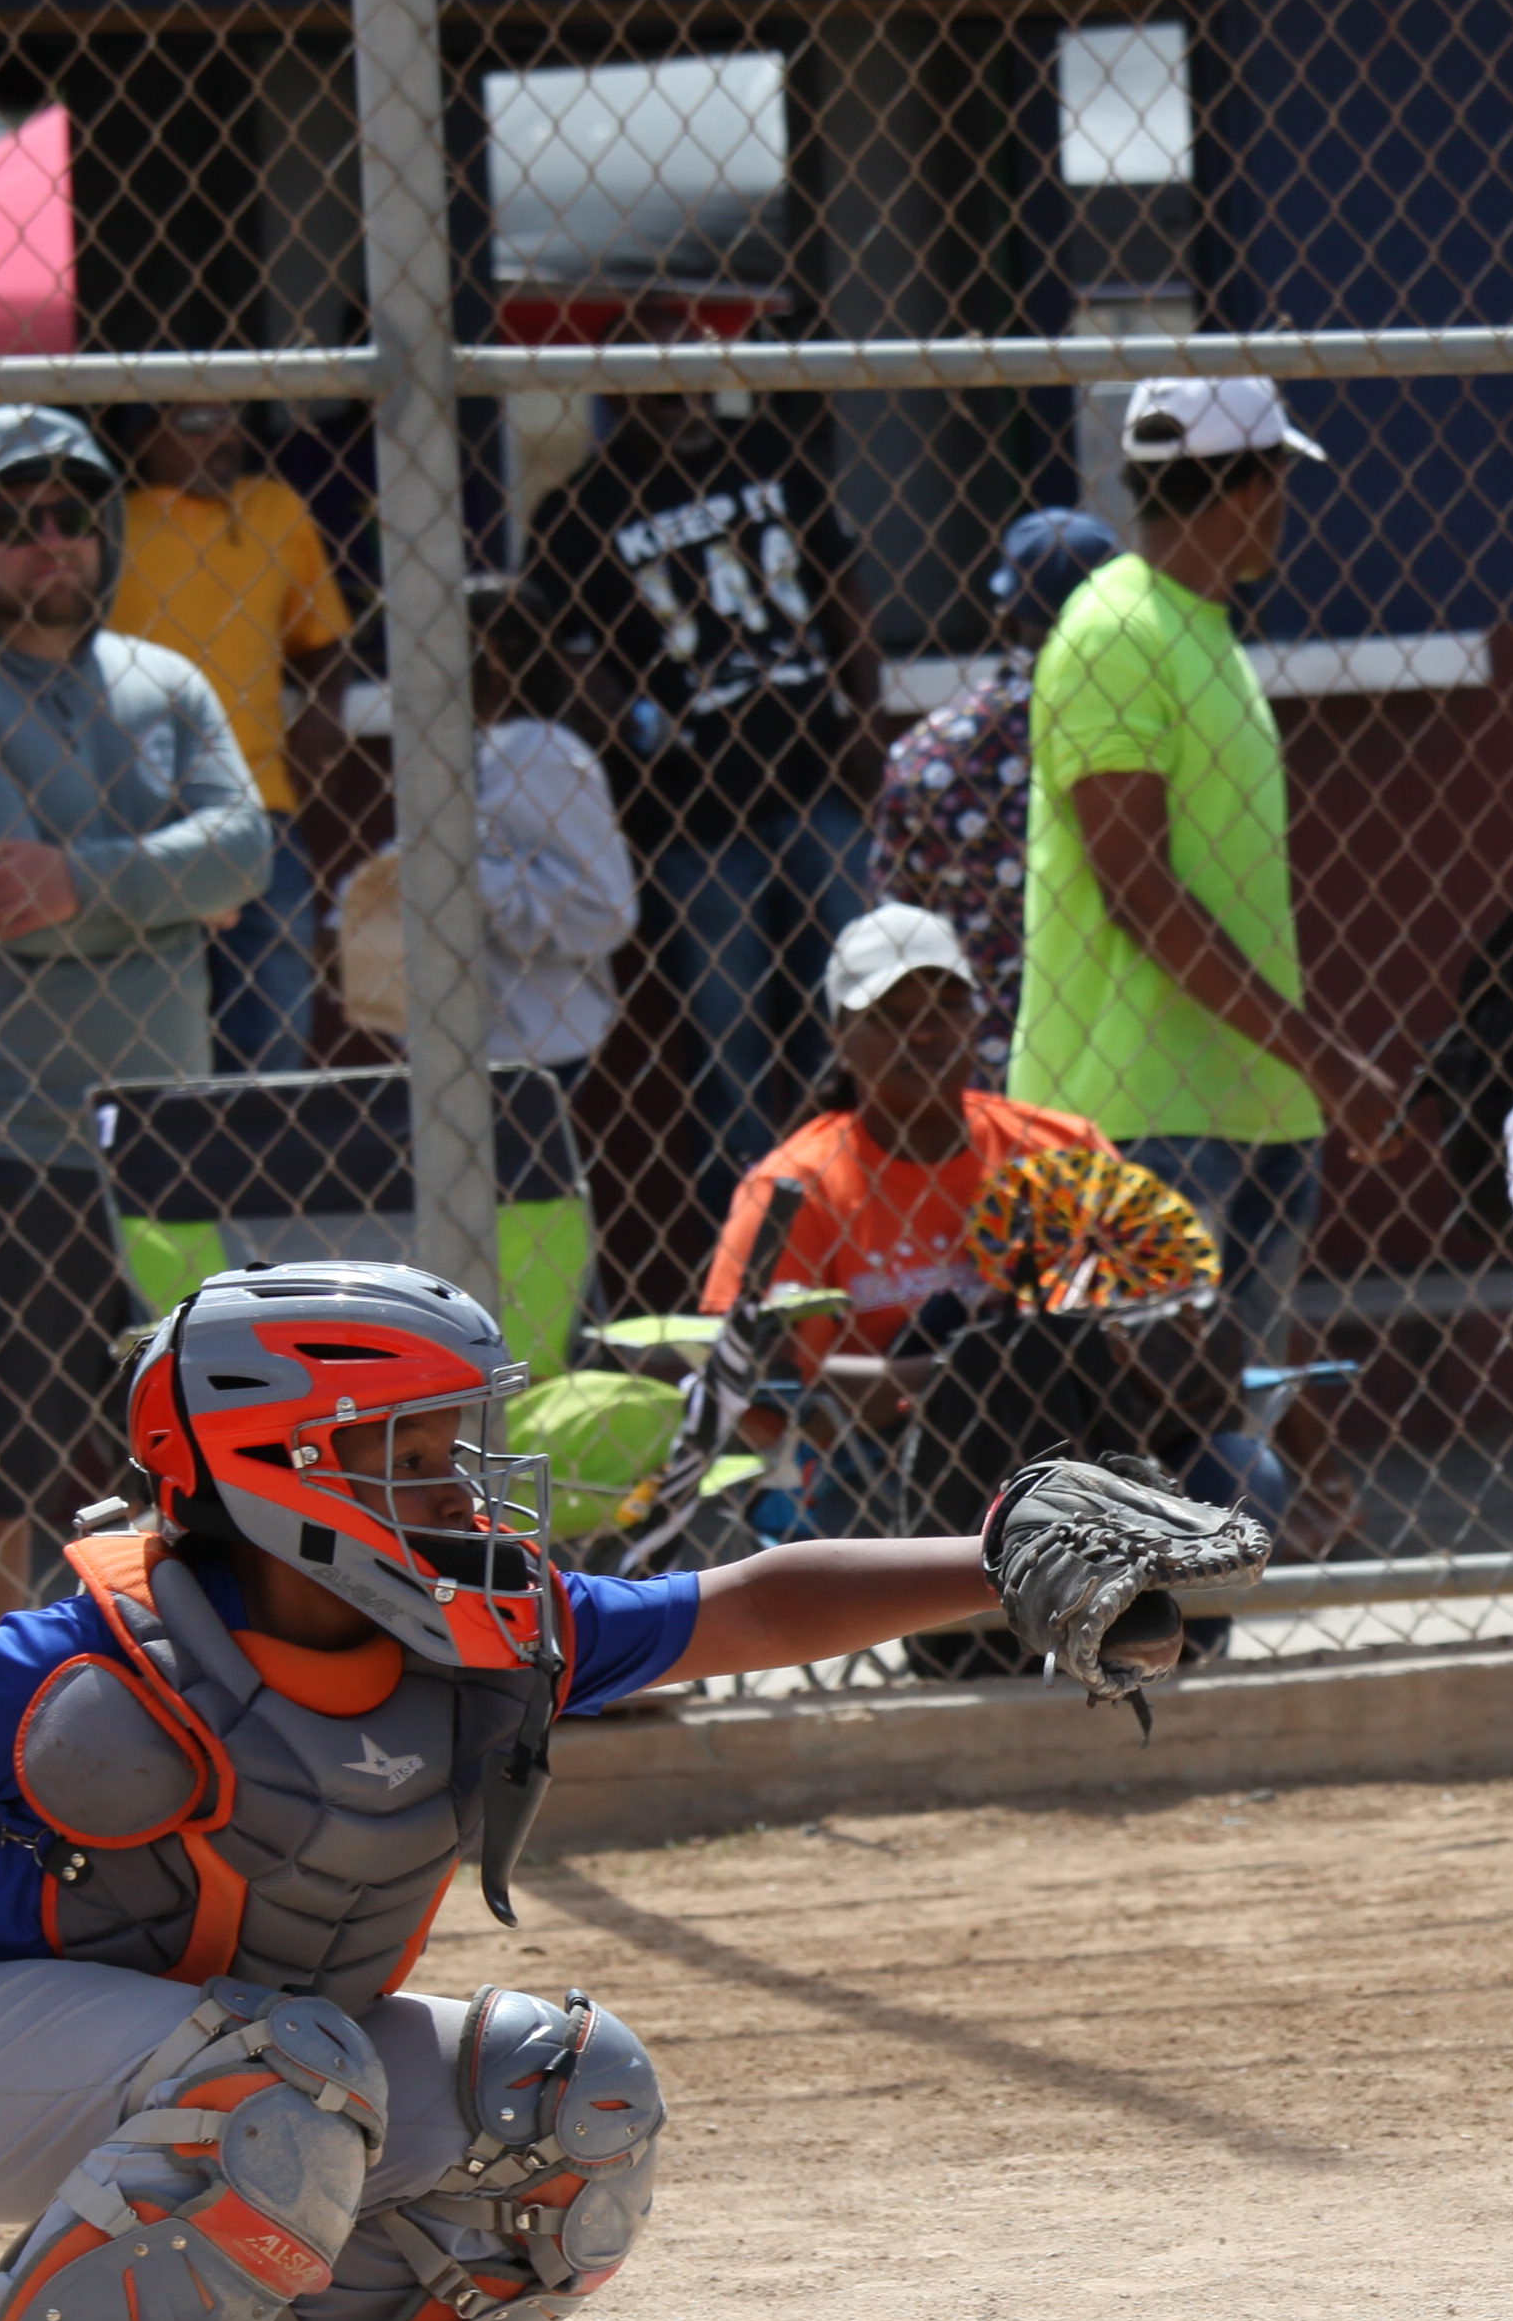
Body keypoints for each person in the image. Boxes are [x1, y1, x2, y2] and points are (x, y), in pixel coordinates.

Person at [0, 1257, 1248, 2321]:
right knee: (281, 2075)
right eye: (402, 1452)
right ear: (273, 1470)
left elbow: (736, 1605)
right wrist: (65, 1949)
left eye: (451, 1444)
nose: (455, 1483)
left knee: (572, 2100)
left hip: (231, 2067)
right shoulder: (95, 1654)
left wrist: (996, 1559)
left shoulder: (489, 1622)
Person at [0, 404, 266, 1647]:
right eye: (7, 521)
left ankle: (187, 1716)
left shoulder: (170, 685)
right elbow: (15, 918)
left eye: (66, 516)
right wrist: (165, 893)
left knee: (193, 1480)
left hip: (165, 1154)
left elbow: (248, 853)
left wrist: (85, 879)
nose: (45, 544)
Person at [1018, 374, 1400, 1529]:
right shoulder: (1117, 627)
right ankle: (1115, 1670)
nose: (1284, 505)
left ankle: (1183, 1664)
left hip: (1249, 1106)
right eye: (1277, 479)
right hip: (1132, 1114)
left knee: (1220, 1441)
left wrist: (1300, 1072)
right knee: (1133, 1447)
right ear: (1250, 484)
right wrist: (1325, 1056)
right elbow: (1137, 887)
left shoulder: (1202, 628)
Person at [708, 905, 1232, 1544]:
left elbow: (1165, 1301)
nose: (922, 1035)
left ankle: (1158, 1635)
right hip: (886, 1466)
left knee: (1238, 1469)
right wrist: (971, 1374)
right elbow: (750, 1391)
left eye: (942, 1011)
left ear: (974, 1021)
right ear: (841, 1037)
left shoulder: (1058, 1148)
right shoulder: (794, 1186)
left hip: (1091, 1438)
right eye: (890, 1018)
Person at [534, 388, 874, 1225]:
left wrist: (865, 719)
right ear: (616, 391)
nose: (677, 393)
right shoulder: (579, 508)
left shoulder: (768, 451)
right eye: (654, 374)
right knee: (731, 1052)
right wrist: (634, 732)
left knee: (857, 1013)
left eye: (688, 368)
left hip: (813, 778)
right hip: (695, 817)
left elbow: (843, 587)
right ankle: (751, 1251)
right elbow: (561, 653)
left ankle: (859, 1218)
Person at [109, 400, 354, 1077]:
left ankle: (258, 1177)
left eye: (230, 418)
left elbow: (322, 641)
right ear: (141, 438)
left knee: (273, 1029)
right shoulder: (105, 527)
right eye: (194, 424)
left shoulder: (275, 509)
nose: (222, 439)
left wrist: (325, 707)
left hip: (257, 807)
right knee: (147, 1036)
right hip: (135, 815)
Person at [872, 504, 1122, 1063]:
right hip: (1129, 1046)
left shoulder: (928, 755)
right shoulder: (1140, 735)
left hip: (981, 1061)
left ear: (1005, 619)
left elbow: (897, 918)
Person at [471, 578, 639, 1074]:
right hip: (471, 1037)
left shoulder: (544, 755)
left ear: (493, 651)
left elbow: (607, 907)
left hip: (537, 1039)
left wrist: (468, 881)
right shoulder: (458, 755)